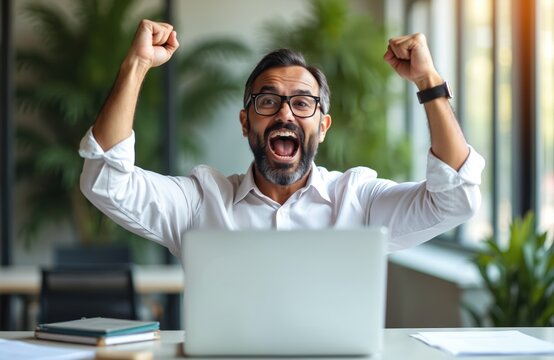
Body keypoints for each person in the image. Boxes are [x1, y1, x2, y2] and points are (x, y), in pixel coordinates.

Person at [79, 20, 485, 256]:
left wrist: (428, 81)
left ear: (323, 127)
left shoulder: (360, 201)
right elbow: (107, 182)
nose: (286, 113)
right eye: (268, 101)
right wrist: (136, 64)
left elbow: (454, 200)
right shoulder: (199, 203)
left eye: (303, 103)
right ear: (245, 122)